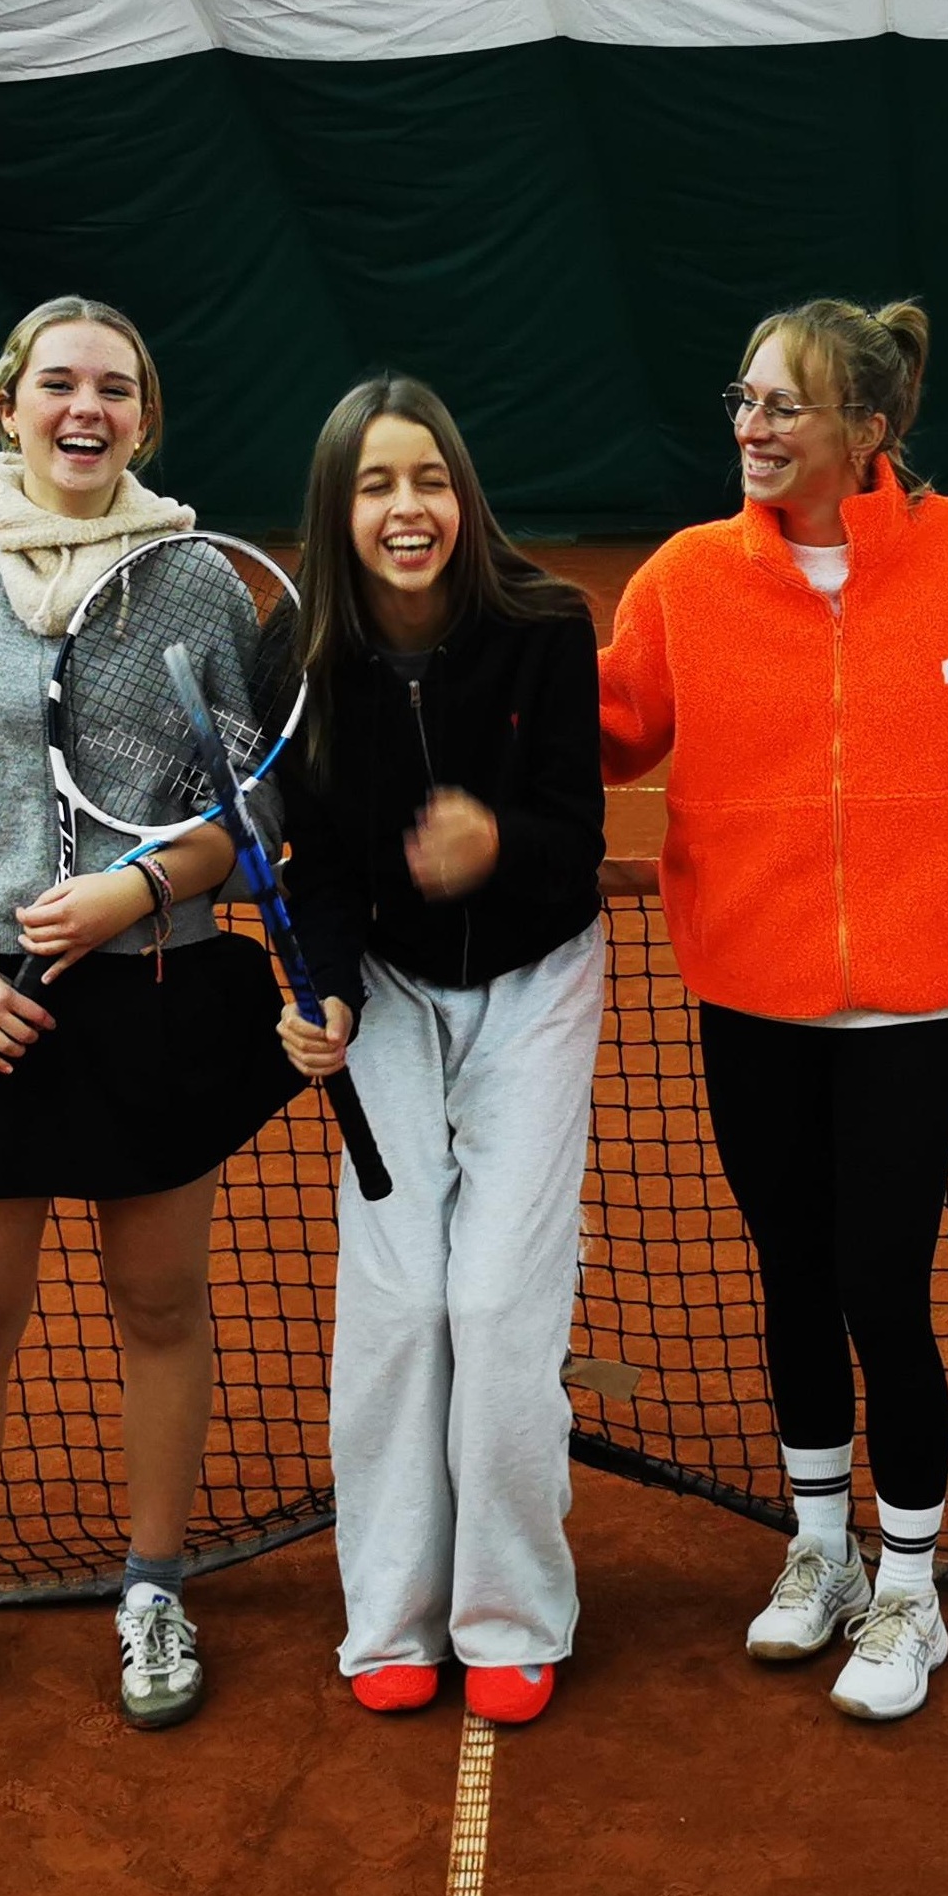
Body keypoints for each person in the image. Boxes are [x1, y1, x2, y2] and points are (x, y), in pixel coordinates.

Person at [0, 295, 305, 1734]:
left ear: (143, 419)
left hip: (153, 993)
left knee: (160, 1308)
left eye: (114, 388)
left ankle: (153, 1585)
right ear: (9, 405)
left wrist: (134, 889)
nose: (84, 408)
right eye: (57, 384)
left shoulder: (197, 584)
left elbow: (252, 808)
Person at [599, 298, 948, 1722]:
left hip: (915, 1010)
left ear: (869, 428)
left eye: (786, 405)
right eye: (744, 400)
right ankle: (819, 1547)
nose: (754, 427)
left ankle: (909, 1583)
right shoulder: (684, 576)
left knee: (883, 1288)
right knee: (791, 1276)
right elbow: (610, 731)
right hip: (751, 998)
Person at [275, 377, 605, 1726]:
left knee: (500, 1304)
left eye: (428, 480)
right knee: (402, 1300)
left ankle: (514, 1611)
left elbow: (574, 837)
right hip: (390, 993)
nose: (406, 509)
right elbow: (315, 866)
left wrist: (497, 846)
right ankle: (392, 1614)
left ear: (462, 493)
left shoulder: (545, 625)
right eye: (375, 485)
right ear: (338, 509)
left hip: (538, 981)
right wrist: (325, 991)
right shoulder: (299, 656)